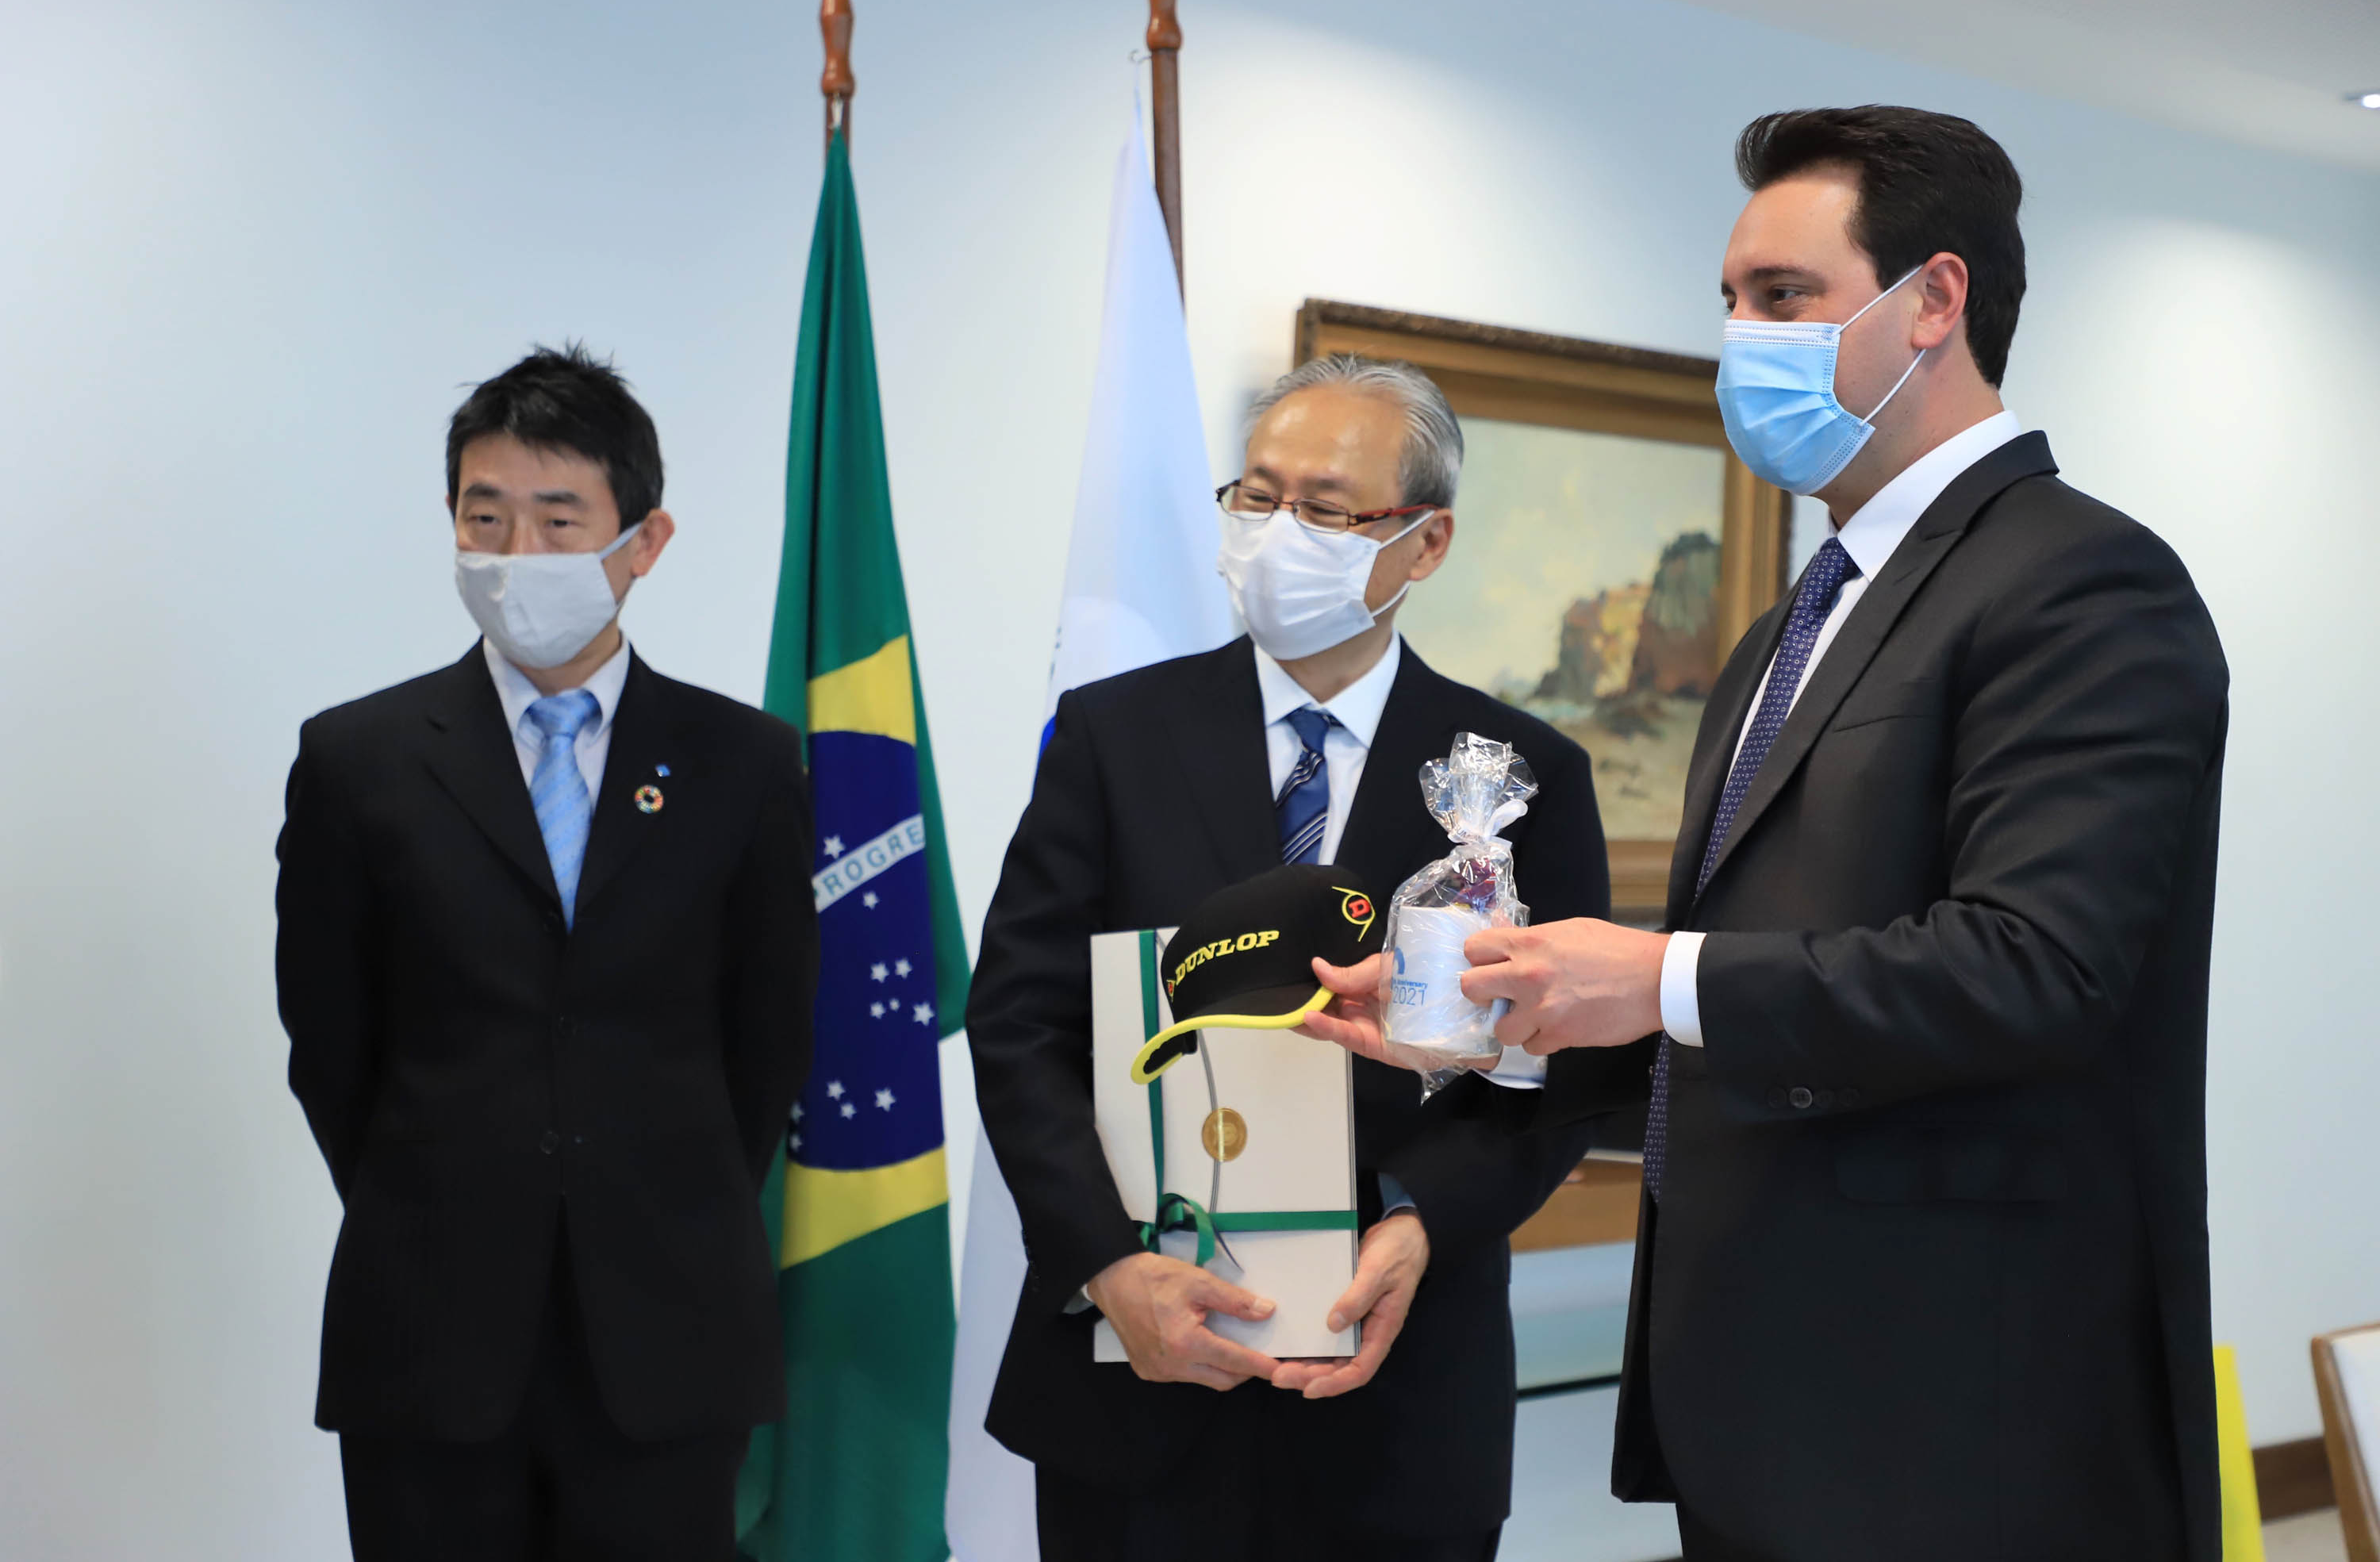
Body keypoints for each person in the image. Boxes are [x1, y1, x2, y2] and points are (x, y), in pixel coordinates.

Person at [1305, 107, 2229, 1560]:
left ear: (1935, 299)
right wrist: (1503, 1016)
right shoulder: (1793, 623)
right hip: (1766, 1409)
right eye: (1732, 301)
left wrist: (1654, 973)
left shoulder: (2084, 583)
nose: (1743, 337)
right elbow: (1761, 999)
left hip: (1961, 1427)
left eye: (1784, 298)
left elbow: (2036, 968)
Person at [965, 354, 1645, 1561]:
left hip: (1398, 1393)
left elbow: (1561, 1078)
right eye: (1257, 496)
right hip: (1138, 1381)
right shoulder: (1113, 735)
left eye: (1326, 509)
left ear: (1425, 545)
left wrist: (1426, 1222)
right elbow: (1020, 1023)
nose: (1280, 534)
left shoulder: (1519, 775)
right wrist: (1109, 1265)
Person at [275, 345, 818, 1561]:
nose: (515, 554)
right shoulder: (358, 761)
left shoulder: (744, 764)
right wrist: (449, 1191)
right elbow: (332, 1045)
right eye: (485, 515)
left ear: (644, 540)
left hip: (670, 1327)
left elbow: (767, 1042)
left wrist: (653, 1192)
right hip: (429, 1326)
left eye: (558, 517)